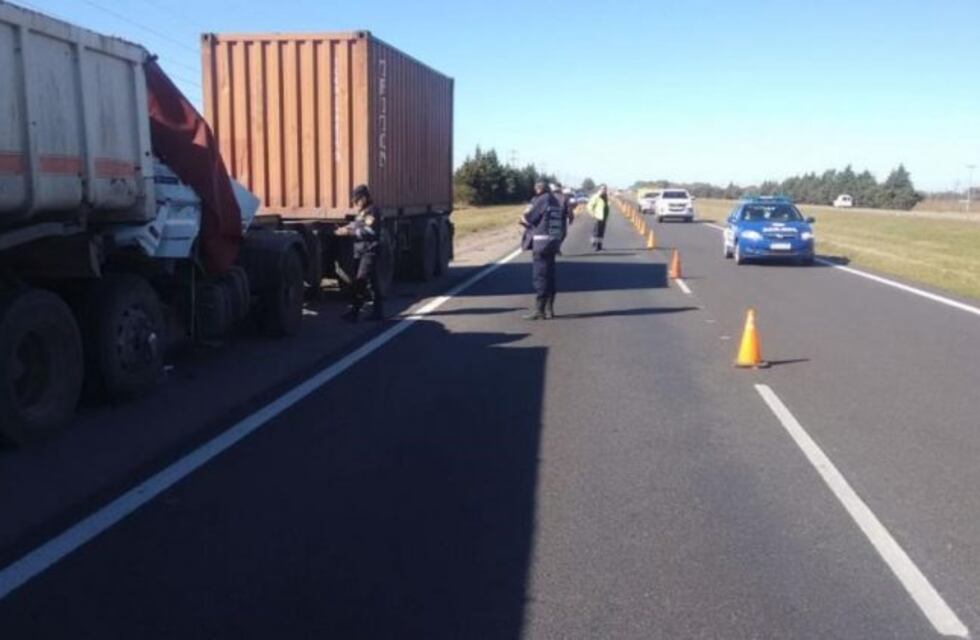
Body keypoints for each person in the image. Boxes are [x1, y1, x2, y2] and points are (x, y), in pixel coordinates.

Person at [335, 184, 384, 321]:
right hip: (361, 251)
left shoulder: (372, 211)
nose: (355, 204)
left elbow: (369, 231)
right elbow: (357, 224)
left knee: (360, 281)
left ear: (363, 198)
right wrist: (344, 228)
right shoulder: (362, 212)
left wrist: (349, 232)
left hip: (369, 251)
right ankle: (378, 312)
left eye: (357, 200)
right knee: (372, 282)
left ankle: (355, 312)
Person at [519, 180, 565, 320]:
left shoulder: (541, 200)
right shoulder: (555, 201)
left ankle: (540, 310)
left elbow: (530, 218)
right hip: (553, 243)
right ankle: (550, 309)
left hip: (541, 243)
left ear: (538, 189)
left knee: (540, 277)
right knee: (550, 276)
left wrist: (523, 218)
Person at [588, 184, 610, 251]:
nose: (604, 190)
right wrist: (593, 214)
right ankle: (595, 245)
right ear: (599, 189)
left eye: (605, 189)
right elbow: (589, 206)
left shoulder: (606, 197)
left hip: (604, 217)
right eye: (603, 189)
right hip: (598, 216)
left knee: (601, 232)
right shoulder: (596, 197)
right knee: (596, 231)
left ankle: (600, 245)